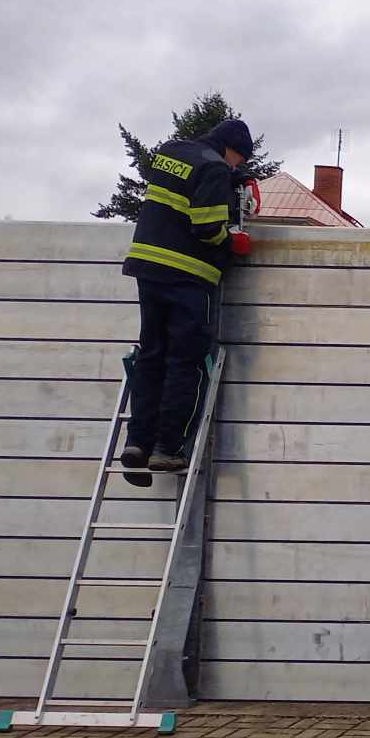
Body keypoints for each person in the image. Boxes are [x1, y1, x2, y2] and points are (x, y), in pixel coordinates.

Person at [119, 118, 252, 476]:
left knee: (152, 355)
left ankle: (137, 442)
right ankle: (167, 447)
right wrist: (232, 242)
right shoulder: (215, 167)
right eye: (238, 161)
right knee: (184, 361)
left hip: (148, 269)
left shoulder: (172, 152)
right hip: (188, 276)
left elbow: (186, 184)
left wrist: (232, 180)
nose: (236, 167)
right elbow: (207, 228)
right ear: (231, 149)